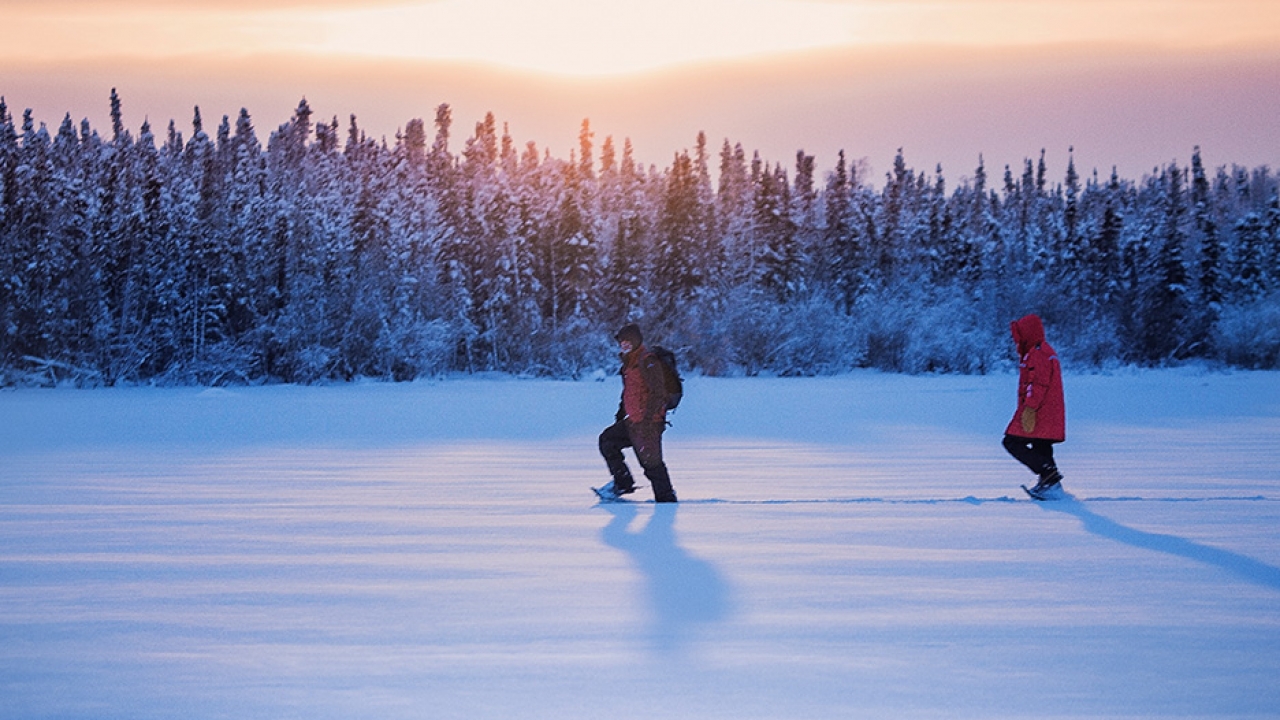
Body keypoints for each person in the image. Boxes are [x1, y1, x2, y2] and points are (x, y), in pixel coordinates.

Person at [597, 323, 678, 503]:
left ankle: (666, 502)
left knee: (652, 465)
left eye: (628, 342)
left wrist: (650, 420)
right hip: (633, 422)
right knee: (607, 441)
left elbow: (659, 393)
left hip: (649, 423)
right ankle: (623, 483)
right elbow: (630, 392)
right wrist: (620, 414)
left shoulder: (648, 361)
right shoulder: (629, 364)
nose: (624, 345)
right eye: (622, 342)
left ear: (636, 341)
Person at [1002, 313, 1066, 498]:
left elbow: (1037, 385)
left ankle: (1049, 475)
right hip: (1046, 411)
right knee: (1041, 445)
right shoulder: (1040, 351)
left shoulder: (1039, 354)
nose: (1017, 340)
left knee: (1011, 441)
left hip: (1039, 411)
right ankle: (1052, 486)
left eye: (1019, 335)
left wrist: (1029, 408)